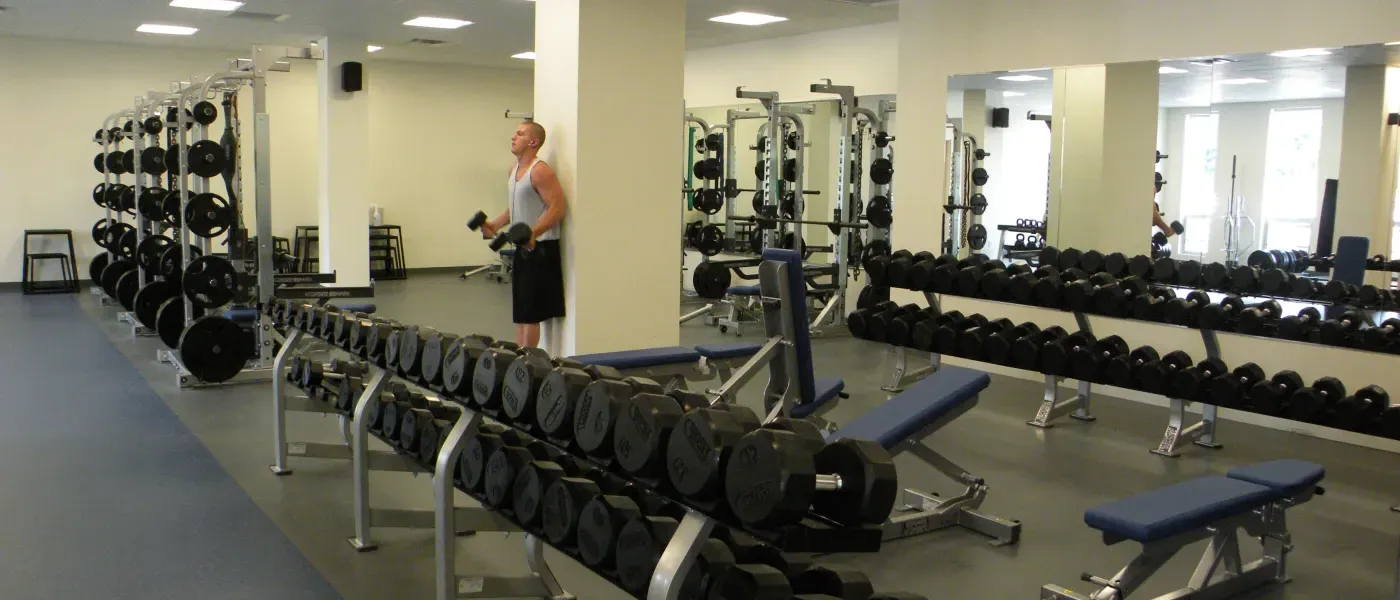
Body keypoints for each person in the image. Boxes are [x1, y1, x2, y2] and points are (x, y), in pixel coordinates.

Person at [480, 122, 567, 348]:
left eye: (520, 133)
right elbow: (515, 206)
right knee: (521, 312)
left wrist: (533, 233)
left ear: (533, 142)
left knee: (530, 314)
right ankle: (519, 360)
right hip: (523, 248)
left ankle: (528, 366)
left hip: (540, 249)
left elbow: (557, 208)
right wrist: (494, 225)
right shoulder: (514, 170)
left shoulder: (540, 171)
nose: (513, 136)